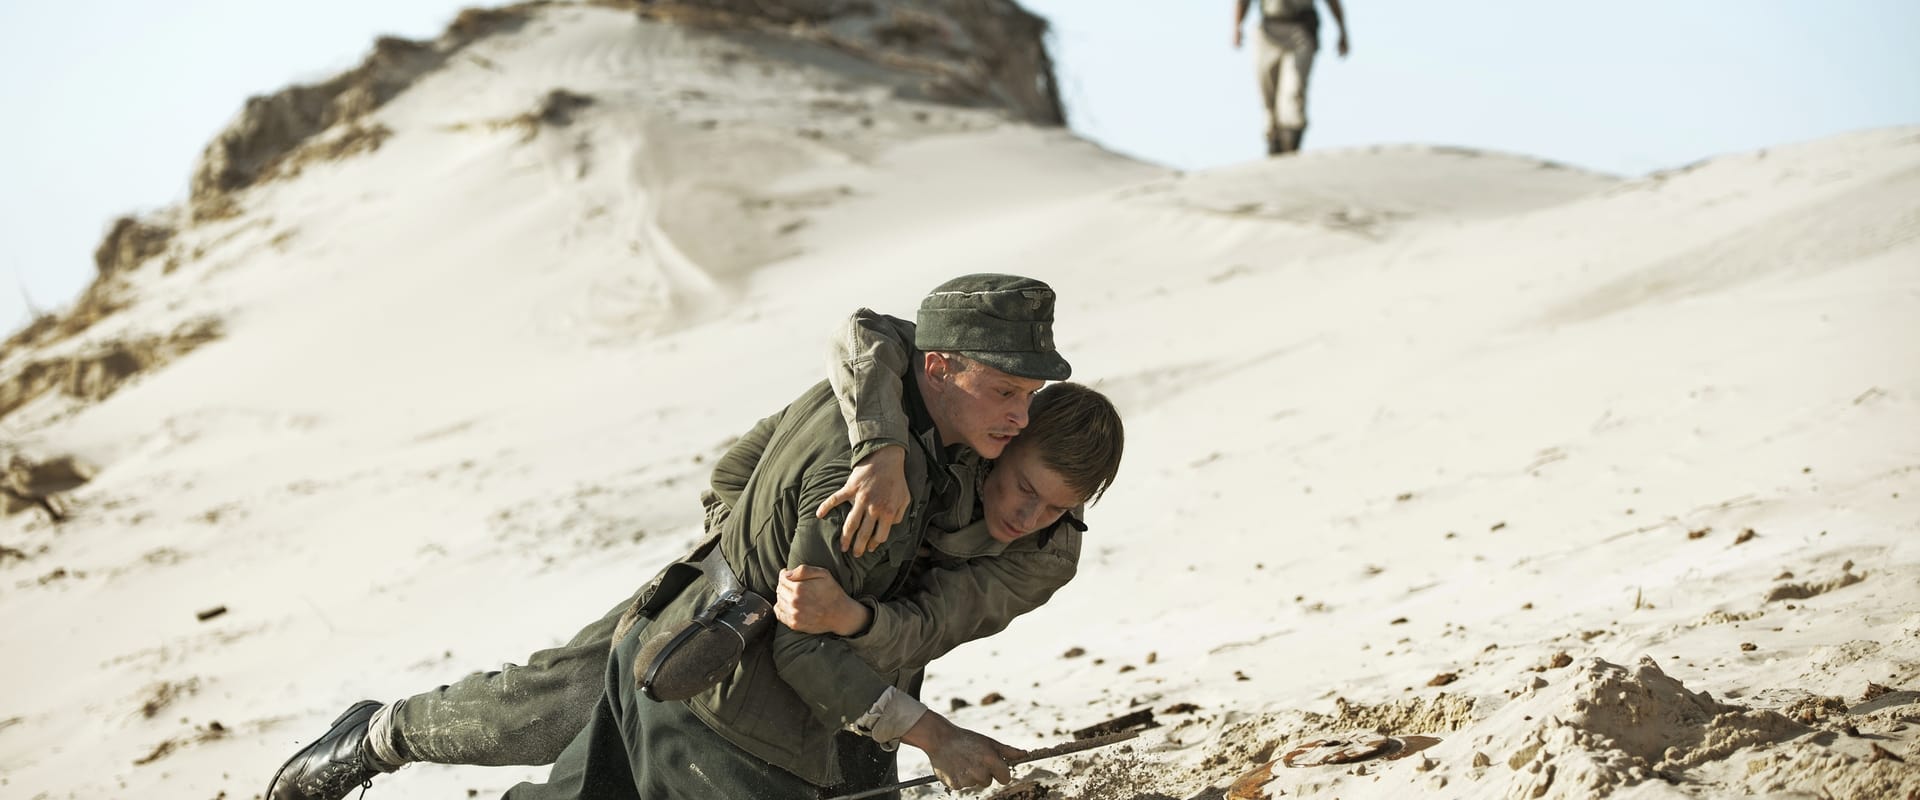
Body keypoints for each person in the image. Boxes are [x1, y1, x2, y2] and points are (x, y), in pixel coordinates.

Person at [265, 275, 1113, 799]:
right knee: (547, 705)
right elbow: (746, 464)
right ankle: (380, 736)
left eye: (1026, 399)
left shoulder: (1004, 506)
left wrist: (844, 613)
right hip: (728, 634)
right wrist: (747, 550)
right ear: (944, 369)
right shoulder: (870, 446)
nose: (1015, 417)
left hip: (838, 662)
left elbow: (926, 621)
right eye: (1005, 394)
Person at [1233, 0, 1350, 156]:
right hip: (1268, 31)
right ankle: (1273, 146)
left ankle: (1290, 151)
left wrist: (1342, 30)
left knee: (1293, 94)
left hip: (1300, 31)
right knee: (1268, 98)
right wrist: (1237, 26)